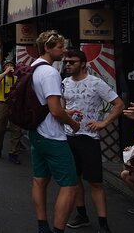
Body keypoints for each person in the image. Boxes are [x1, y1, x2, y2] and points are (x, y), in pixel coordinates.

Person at [62, 49, 124, 232]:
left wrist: (104, 123)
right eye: (66, 62)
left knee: (96, 182)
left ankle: (103, 223)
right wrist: (65, 114)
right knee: (75, 179)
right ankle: (82, 215)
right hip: (69, 136)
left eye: (71, 62)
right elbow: (63, 108)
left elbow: (119, 104)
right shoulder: (65, 82)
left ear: (82, 63)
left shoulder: (96, 83)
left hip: (89, 138)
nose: (67, 65)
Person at [29, 30, 81, 233]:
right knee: (70, 185)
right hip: (52, 136)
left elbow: (44, 104)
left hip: (36, 132)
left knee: (40, 180)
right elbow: (55, 110)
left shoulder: (33, 67)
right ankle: (58, 230)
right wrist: (73, 123)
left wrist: (62, 111)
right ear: (47, 48)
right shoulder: (50, 72)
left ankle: (43, 226)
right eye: (60, 47)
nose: (64, 50)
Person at [0, 60, 22, 163]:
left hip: (14, 105)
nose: (10, 67)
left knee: (16, 129)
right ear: (4, 68)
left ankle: (14, 153)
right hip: (2, 104)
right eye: (7, 66)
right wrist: (4, 73)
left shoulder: (17, 78)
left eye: (11, 66)